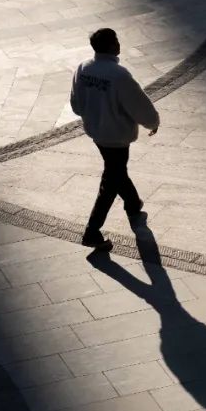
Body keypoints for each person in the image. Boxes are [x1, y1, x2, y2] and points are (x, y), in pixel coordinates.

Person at [70, 28, 160, 248]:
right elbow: (138, 104)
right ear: (112, 46)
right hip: (117, 136)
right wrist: (152, 122)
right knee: (110, 182)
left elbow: (76, 104)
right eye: (117, 41)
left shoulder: (83, 68)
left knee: (116, 171)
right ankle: (92, 232)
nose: (119, 44)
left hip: (97, 133)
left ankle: (133, 204)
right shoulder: (119, 75)